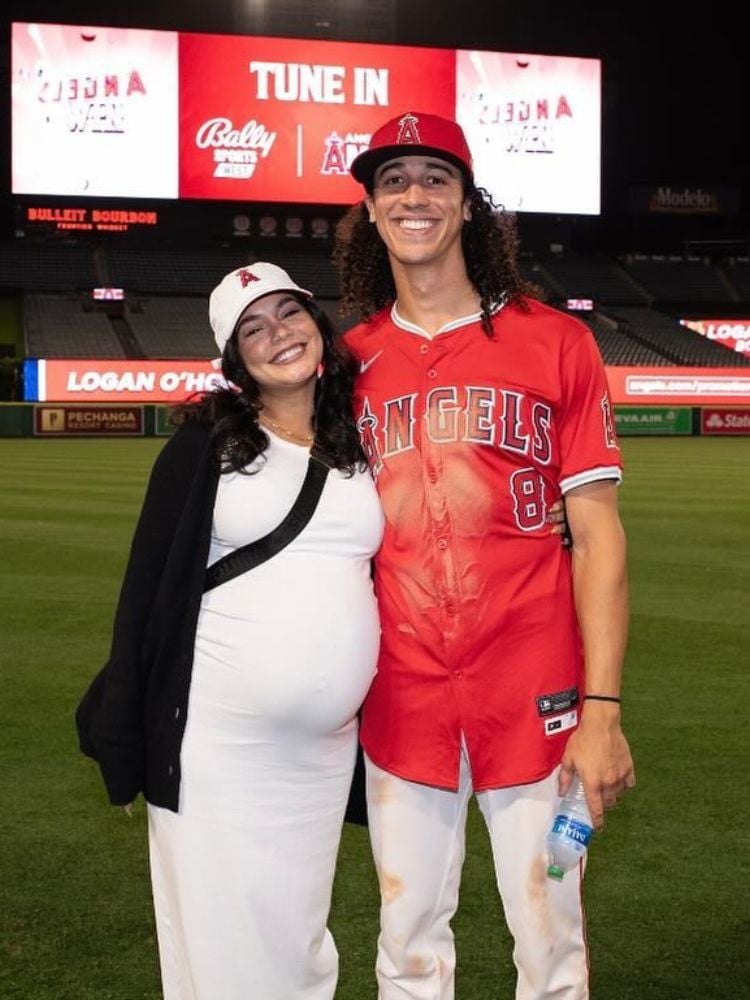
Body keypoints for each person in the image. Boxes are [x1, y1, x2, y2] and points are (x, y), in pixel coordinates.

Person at [333, 110, 636, 1000]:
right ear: (372, 211)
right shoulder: (350, 364)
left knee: (550, 940)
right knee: (407, 936)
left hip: (535, 685)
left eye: (435, 178)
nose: (414, 195)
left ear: (468, 204)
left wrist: (604, 708)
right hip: (400, 689)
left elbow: (601, 534)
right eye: (394, 181)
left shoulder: (556, 340)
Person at [75, 262, 385, 1000]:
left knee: (297, 933)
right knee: (220, 938)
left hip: (322, 755)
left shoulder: (362, 441)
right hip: (219, 743)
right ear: (234, 357)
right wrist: (124, 735)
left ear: (318, 322)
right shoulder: (203, 448)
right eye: (254, 326)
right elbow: (145, 596)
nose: (278, 333)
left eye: (288, 312)